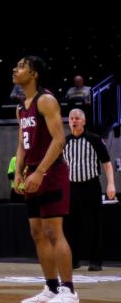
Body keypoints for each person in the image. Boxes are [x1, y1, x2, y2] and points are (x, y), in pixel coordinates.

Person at [13, 56, 77, 303]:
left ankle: (69, 290)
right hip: (32, 172)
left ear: (34, 73)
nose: (15, 69)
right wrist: (19, 172)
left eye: (21, 66)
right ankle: (51, 288)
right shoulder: (21, 107)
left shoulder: (46, 100)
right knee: (36, 231)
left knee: (53, 230)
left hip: (51, 172)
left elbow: (59, 140)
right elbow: (21, 143)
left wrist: (40, 171)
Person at [64, 108, 116, 271]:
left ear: (84, 122)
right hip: (71, 187)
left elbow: (107, 163)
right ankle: (73, 260)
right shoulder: (64, 142)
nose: (74, 120)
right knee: (70, 226)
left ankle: (95, 261)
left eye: (77, 118)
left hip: (91, 186)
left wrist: (111, 184)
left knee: (93, 224)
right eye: (71, 118)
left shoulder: (94, 139)